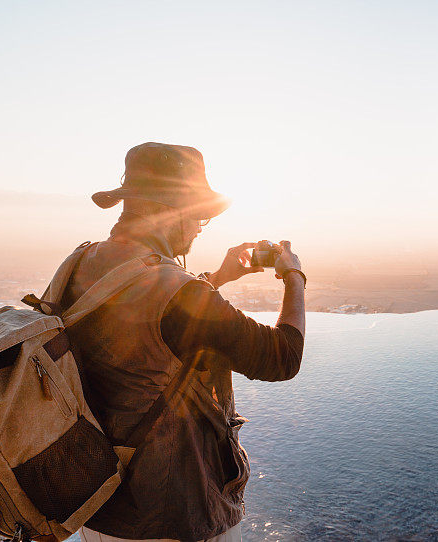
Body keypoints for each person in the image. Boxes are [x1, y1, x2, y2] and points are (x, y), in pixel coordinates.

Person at [59, 142, 305, 542]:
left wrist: (218, 279)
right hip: (176, 516)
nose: (198, 228)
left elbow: (146, 321)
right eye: (198, 218)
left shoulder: (77, 264)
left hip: (98, 510)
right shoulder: (180, 292)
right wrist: (294, 277)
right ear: (170, 211)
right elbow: (284, 357)